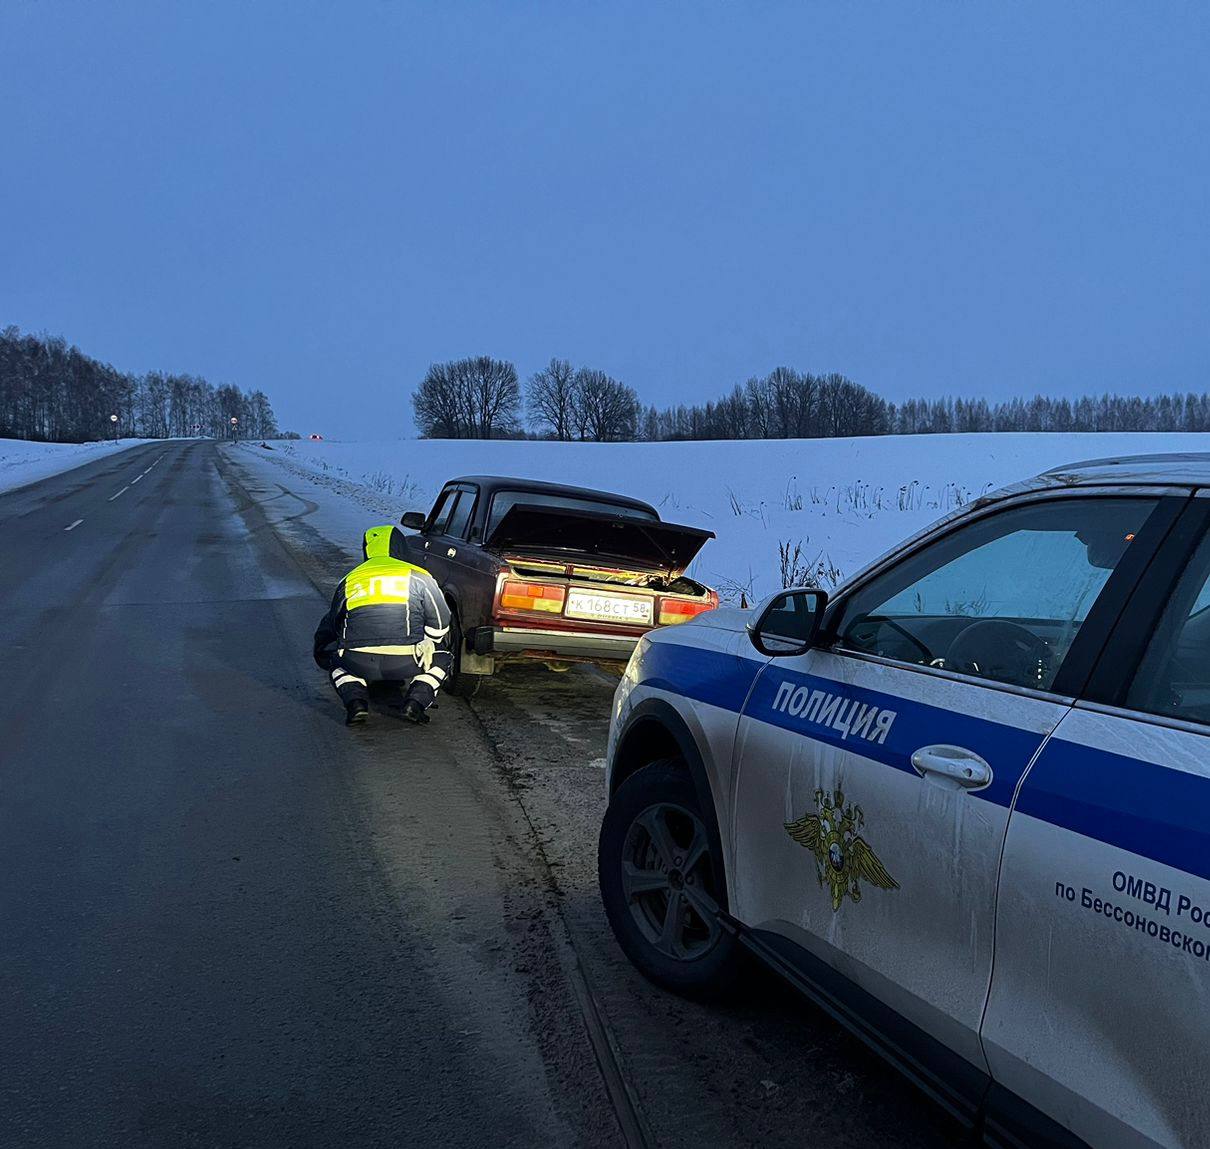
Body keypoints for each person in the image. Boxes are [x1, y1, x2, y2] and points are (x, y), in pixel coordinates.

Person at [313, 525, 452, 726]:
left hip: (358, 660)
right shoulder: (419, 576)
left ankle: (356, 703)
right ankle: (415, 703)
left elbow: (335, 622)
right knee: (442, 657)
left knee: (338, 662)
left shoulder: (350, 579)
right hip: (406, 660)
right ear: (401, 548)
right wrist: (429, 642)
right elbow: (441, 620)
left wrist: (336, 646)